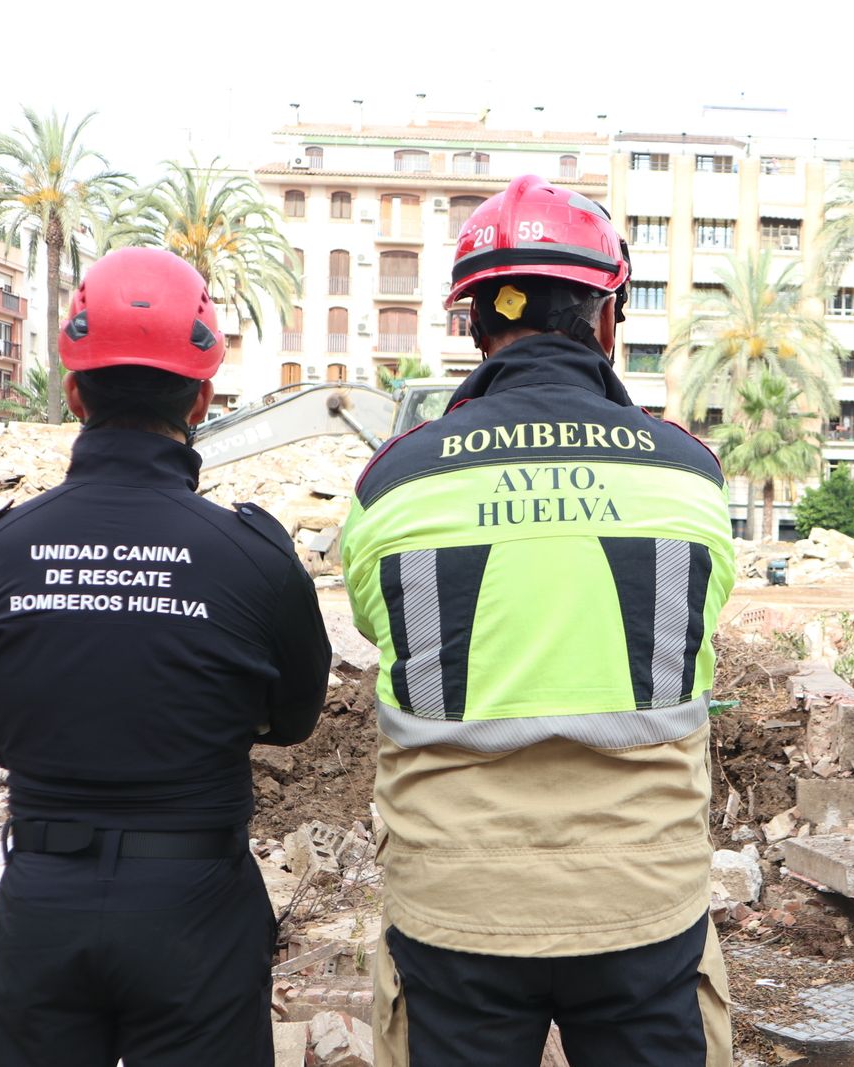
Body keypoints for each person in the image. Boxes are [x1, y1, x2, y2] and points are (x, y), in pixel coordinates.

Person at [341, 175, 737, 1067]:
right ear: (606, 319)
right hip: (645, 902)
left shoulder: (394, 481)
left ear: (475, 324)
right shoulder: (690, 476)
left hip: (454, 907)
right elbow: (700, 627)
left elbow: (382, 626)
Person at [0, 247, 330, 1067]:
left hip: (42, 899)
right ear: (202, 395)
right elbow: (296, 720)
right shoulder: (254, 557)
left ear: (75, 389)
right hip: (195, 904)